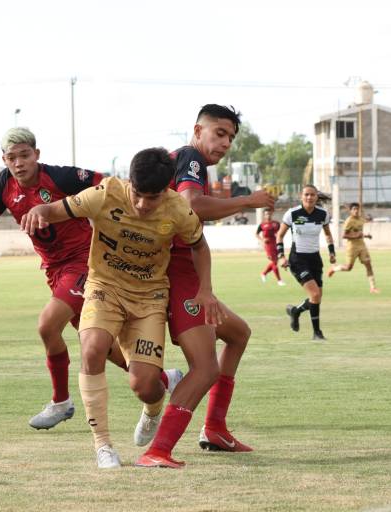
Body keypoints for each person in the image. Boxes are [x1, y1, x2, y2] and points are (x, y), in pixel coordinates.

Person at [0, 128, 179, 430]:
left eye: (25, 155)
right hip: (54, 271)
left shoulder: (61, 177)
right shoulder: (2, 185)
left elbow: (108, 184)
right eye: (12, 158)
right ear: (4, 160)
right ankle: (165, 378)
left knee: (47, 324)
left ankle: (61, 402)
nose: (20, 163)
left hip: (83, 263)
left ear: (37, 154)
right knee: (96, 345)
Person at [21, 147, 222, 469]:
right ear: (129, 181)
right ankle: (103, 446)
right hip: (105, 287)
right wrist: (40, 211)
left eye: (152, 197)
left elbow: (199, 245)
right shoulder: (105, 194)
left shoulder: (178, 210)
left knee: (144, 385)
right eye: (138, 194)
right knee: (93, 348)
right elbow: (56, 209)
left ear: (167, 190)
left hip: (149, 298)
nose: (143, 204)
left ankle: (153, 407)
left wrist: (206, 290)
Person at [136, 105, 274, 464]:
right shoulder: (190, 159)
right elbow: (191, 205)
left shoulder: (187, 162)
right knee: (205, 367)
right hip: (176, 275)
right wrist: (249, 200)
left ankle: (214, 428)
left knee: (239, 333)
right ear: (198, 130)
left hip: (183, 273)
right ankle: (158, 449)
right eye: (219, 133)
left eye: (230, 137)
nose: (226, 143)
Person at [276, 185, 336, 341]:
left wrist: (331, 252)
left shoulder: (322, 214)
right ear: (301, 196)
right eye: (306, 195)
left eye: (312, 195)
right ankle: (317, 333)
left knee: (317, 297)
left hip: (315, 259)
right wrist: (281, 256)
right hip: (297, 259)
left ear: (317, 197)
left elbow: (328, 235)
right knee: (315, 294)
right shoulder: (292, 214)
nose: (309, 198)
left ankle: (296, 311)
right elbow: (280, 236)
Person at [327, 202, 379, 293]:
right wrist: (356, 236)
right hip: (351, 247)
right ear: (351, 211)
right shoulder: (349, 221)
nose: (356, 211)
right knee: (348, 268)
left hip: (362, 246)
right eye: (354, 209)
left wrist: (366, 235)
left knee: (368, 264)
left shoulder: (360, 219)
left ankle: (373, 287)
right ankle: (334, 268)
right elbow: (344, 235)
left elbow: (362, 228)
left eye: (357, 209)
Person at [257, 209, 285, 286]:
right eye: (266, 214)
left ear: (271, 214)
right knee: (274, 262)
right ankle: (279, 280)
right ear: (264, 215)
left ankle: (264, 273)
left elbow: (281, 232)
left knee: (275, 262)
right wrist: (262, 240)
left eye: (269, 214)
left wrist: (279, 237)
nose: (268, 215)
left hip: (276, 243)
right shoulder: (262, 224)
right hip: (268, 245)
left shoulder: (276, 223)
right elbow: (256, 234)